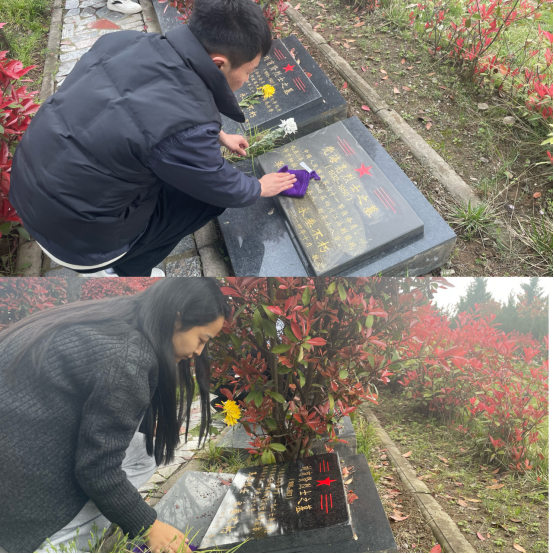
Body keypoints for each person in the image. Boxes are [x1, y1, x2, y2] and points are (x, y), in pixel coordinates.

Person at [10, 0, 296, 277]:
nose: (247, 80)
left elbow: (142, 110)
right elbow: (219, 184)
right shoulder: (187, 126)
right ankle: (126, 270)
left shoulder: (122, 42)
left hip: (29, 192)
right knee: (207, 200)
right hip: (81, 240)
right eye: (249, 72)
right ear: (219, 64)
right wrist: (258, 187)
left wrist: (219, 136)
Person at [0, 278, 230, 553]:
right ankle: (61, 541)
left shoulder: (119, 315)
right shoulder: (128, 357)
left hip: (20, 440)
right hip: (16, 488)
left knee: (145, 452)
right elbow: (97, 469)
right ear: (177, 319)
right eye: (202, 340)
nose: (198, 352)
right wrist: (149, 526)